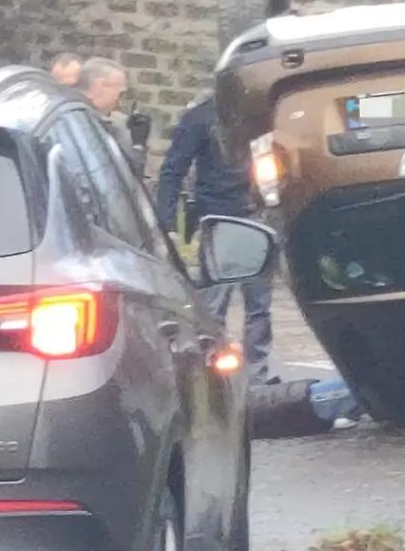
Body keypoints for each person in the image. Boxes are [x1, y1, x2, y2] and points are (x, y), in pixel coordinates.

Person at [155, 94, 278, 385]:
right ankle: (211, 370)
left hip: (258, 213)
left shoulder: (263, 114)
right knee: (215, 305)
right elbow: (173, 169)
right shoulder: (201, 116)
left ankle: (256, 374)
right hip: (220, 216)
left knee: (258, 304)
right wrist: (168, 221)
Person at [75, 57, 147, 179]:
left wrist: (137, 143)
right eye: (120, 93)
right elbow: (122, 174)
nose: (120, 103)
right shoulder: (75, 122)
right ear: (100, 86)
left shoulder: (103, 122)